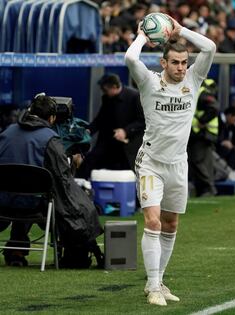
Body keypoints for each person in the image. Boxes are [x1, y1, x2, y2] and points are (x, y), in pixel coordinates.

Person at [124, 16, 216, 305]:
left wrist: (181, 30)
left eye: (184, 62)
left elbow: (210, 47)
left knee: (171, 223)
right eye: (174, 62)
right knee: (153, 221)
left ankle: (160, 281)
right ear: (163, 63)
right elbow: (129, 57)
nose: (180, 67)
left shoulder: (194, 79)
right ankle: (152, 287)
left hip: (178, 164)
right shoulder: (149, 82)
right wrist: (142, 37)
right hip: (151, 161)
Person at [0, 94, 102, 266]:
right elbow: (63, 180)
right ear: (52, 118)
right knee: (62, 199)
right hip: (34, 204)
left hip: (3, 202)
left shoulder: (6, 133)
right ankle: (74, 252)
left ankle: (17, 250)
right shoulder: (49, 139)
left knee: (26, 190)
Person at [76, 73, 145, 179]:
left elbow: (142, 121)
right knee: (89, 162)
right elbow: (100, 119)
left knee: (127, 174)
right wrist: (90, 130)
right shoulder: (107, 98)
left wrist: (126, 131)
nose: (104, 92)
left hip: (127, 145)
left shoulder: (134, 97)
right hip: (108, 141)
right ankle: (79, 185)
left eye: (105, 90)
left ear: (114, 87)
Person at [188, 78, 219, 197]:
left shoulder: (202, 93)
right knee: (203, 162)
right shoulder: (200, 92)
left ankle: (208, 189)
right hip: (202, 133)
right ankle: (205, 189)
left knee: (198, 161)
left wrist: (202, 121)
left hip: (202, 133)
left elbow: (214, 108)